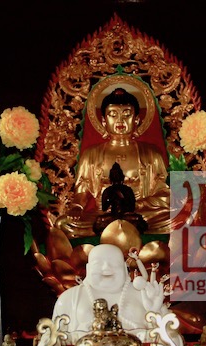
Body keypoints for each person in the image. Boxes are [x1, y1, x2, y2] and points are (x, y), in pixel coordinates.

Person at [26, 243, 190, 346]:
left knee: (171, 336)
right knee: (49, 341)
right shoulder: (69, 298)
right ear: (88, 268)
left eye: (113, 263)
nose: (106, 268)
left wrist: (156, 310)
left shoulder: (141, 294)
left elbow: (166, 328)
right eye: (99, 264)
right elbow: (55, 335)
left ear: (124, 267)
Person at [55, 87, 170, 238]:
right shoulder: (91, 154)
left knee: (180, 218)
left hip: (139, 214)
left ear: (136, 120)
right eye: (113, 115)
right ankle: (123, 232)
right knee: (63, 223)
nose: (120, 120)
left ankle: (115, 233)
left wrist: (137, 205)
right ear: (104, 121)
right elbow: (82, 189)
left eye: (126, 114)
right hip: (103, 215)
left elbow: (163, 192)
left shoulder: (151, 153)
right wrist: (77, 207)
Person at [93, 162, 148, 234]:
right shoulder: (108, 190)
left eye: (117, 174)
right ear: (110, 178)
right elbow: (104, 208)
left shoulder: (127, 189)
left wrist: (123, 199)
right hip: (113, 215)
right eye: (114, 175)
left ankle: (114, 227)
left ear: (122, 177)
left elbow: (132, 207)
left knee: (137, 218)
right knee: (99, 219)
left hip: (125, 215)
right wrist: (111, 199)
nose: (116, 176)